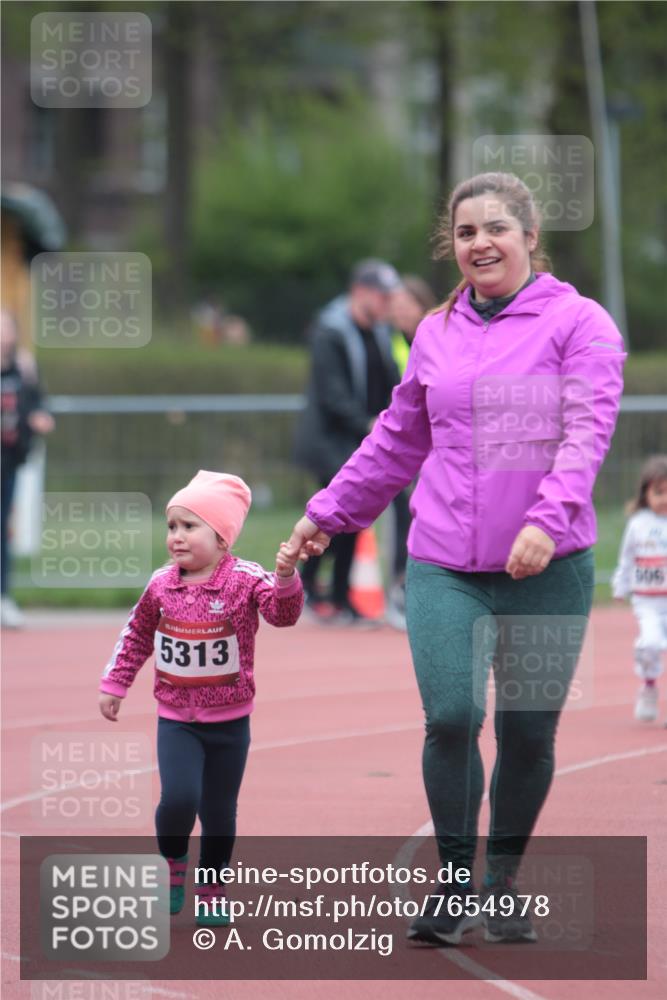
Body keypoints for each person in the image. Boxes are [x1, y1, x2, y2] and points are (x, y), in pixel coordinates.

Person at [284, 172, 625, 945]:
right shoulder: (435, 331)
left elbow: (587, 430)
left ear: (529, 236)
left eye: (496, 228)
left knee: (527, 733)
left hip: (549, 566)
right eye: (466, 232)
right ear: (453, 245)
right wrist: (324, 515)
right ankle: (452, 879)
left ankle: (501, 882)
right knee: (451, 717)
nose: (480, 243)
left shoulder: (581, 323)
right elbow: (395, 439)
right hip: (442, 561)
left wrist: (546, 520)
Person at [99, 470, 303, 925]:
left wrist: (286, 577)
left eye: (189, 526)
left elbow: (282, 614)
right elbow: (137, 635)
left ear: (222, 537)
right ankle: (172, 862)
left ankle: (212, 886)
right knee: (179, 799)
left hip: (230, 723)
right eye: (172, 526)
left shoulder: (246, 579)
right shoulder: (160, 585)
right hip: (177, 720)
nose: (177, 536)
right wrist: (116, 682)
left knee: (219, 812)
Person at [294, 258, 401, 624]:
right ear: (359, 292)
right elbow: (332, 394)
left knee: (350, 520)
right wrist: (370, 424)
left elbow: (391, 382)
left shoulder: (380, 333)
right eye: (381, 295)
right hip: (329, 440)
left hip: (360, 440)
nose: (387, 303)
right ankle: (310, 588)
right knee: (334, 514)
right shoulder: (331, 332)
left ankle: (337, 596)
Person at [385, 276, 438, 630]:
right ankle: (400, 586)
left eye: (407, 304)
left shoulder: (435, 336)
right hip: (401, 439)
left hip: (433, 444)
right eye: (396, 305)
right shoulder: (387, 341)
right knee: (402, 517)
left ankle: (423, 587)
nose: (401, 311)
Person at [1, 309, 54, 628]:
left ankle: (3, 597)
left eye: (5, 327)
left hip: (8, 461)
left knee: (2, 530)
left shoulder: (23, 369)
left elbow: (36, 403)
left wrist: (39, 417)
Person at [612, 455, 667, 724]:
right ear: (646, 493)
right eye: (659, 492)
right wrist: (620, 586)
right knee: (651, 644)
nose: (665, 499)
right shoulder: (638, 523)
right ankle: (648, 686)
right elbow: (627, 558)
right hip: (648, 603)